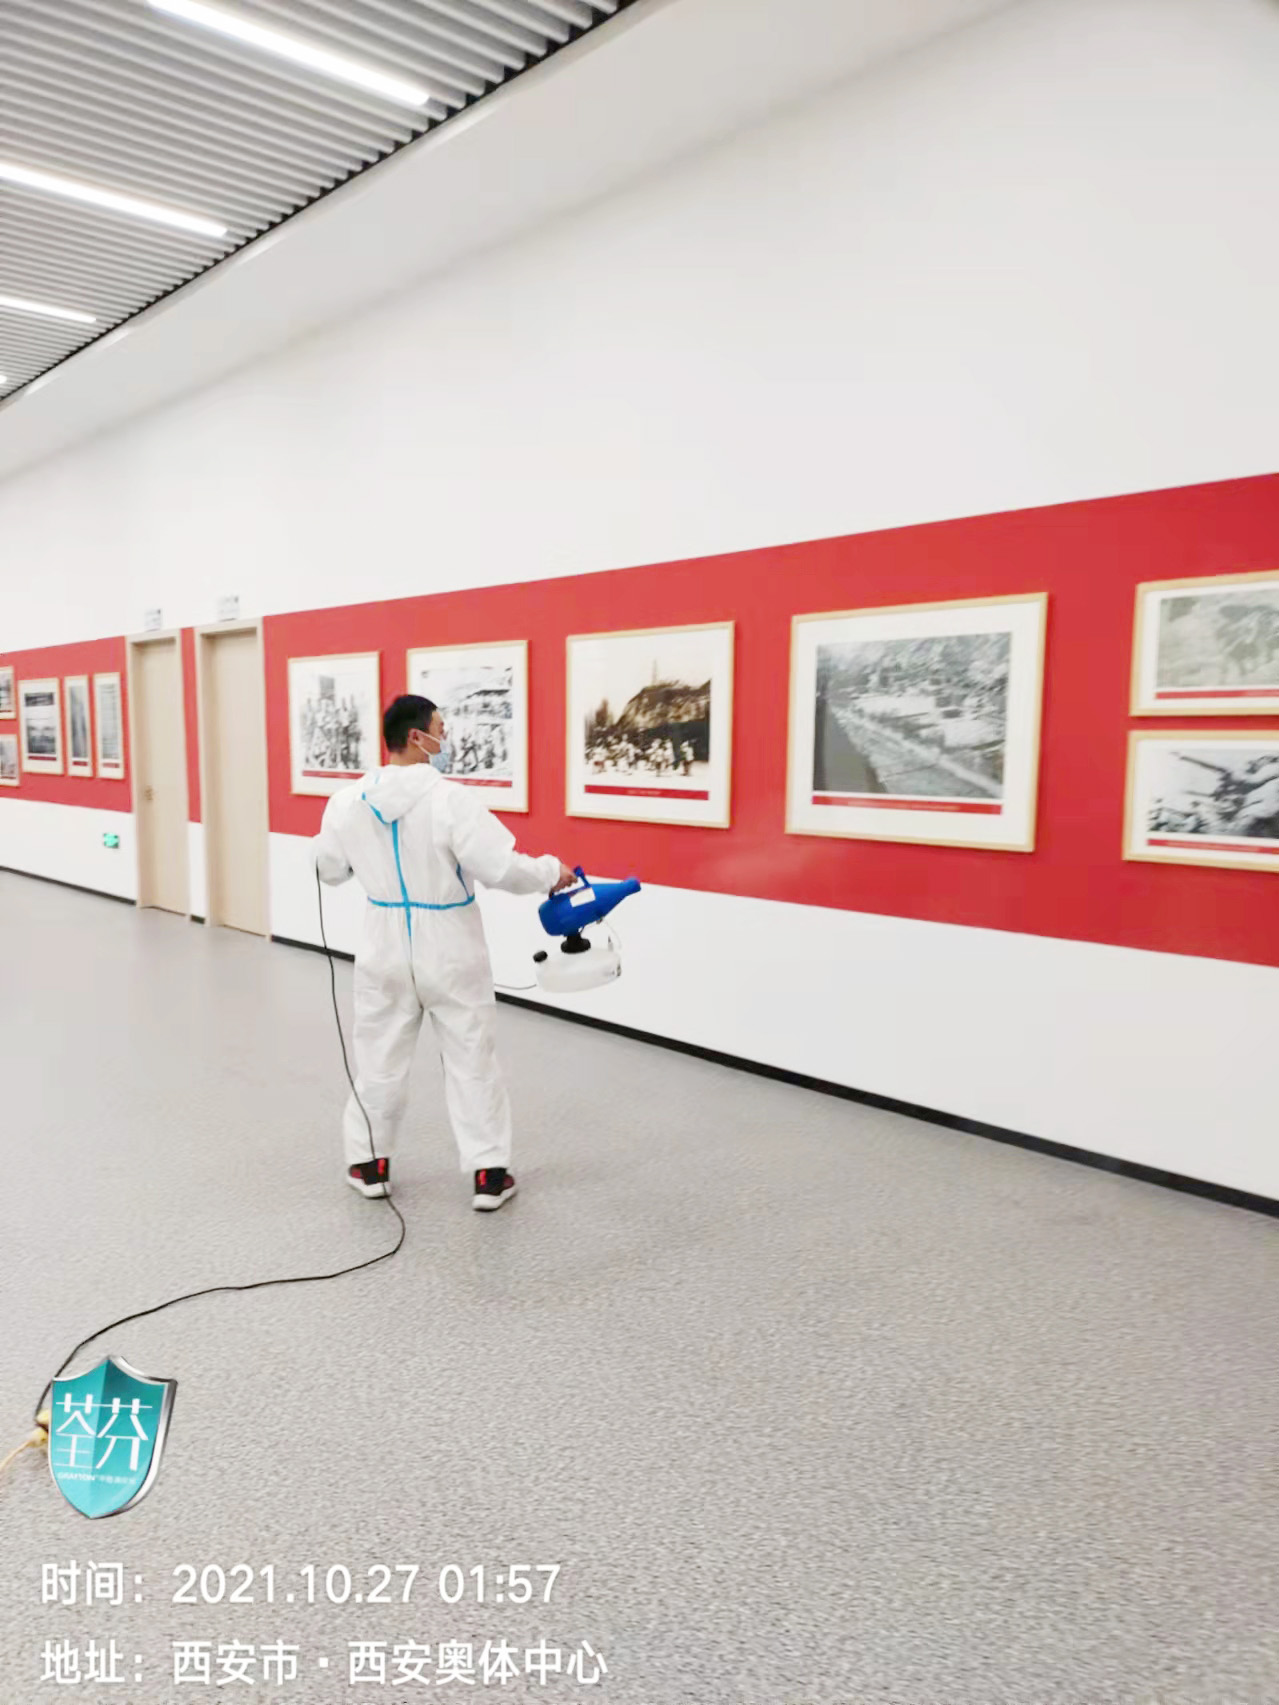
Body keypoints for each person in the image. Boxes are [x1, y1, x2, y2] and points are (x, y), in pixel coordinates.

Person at [314, 694, 576, 1211]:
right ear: (417, 736)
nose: (446, 736)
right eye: (440, 727)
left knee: (379, 1057)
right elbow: (500, 867)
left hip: (383, 942)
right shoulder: (451, 800)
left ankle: (369, 1164)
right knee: (470, 1056)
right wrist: (551, 872)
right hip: (450, 942)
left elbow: (328, 869)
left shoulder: (346, 802)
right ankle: (489, 1174)